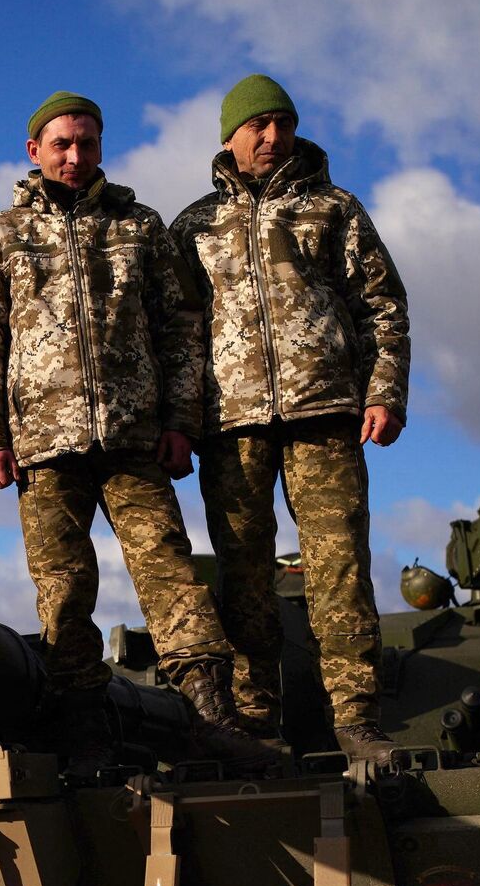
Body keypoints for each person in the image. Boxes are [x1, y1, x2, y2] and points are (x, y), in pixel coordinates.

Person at [0, 91, 263, 758]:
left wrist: (181, 421)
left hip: (134, 439)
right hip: (42, 445)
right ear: (34, 151)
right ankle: (84, 721)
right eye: (61, 144)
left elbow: (181, 330)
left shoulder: (140, 227)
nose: (74, 155)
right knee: (62, 590)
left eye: (87, 143)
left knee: (170, 572)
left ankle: (212, 712)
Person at [170, 75, 411, 765]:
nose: (273, 137)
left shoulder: (334, 209)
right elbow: (181, 336)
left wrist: (384, 390)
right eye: (259, 126)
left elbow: (382, 305)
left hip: (327, 413)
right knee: (243, 578)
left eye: (284, 123)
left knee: (338, 568)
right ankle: (254, 724)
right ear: (230, 137)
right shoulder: (194, 225)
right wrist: (184, 423)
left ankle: (357, 719)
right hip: (232, 422)